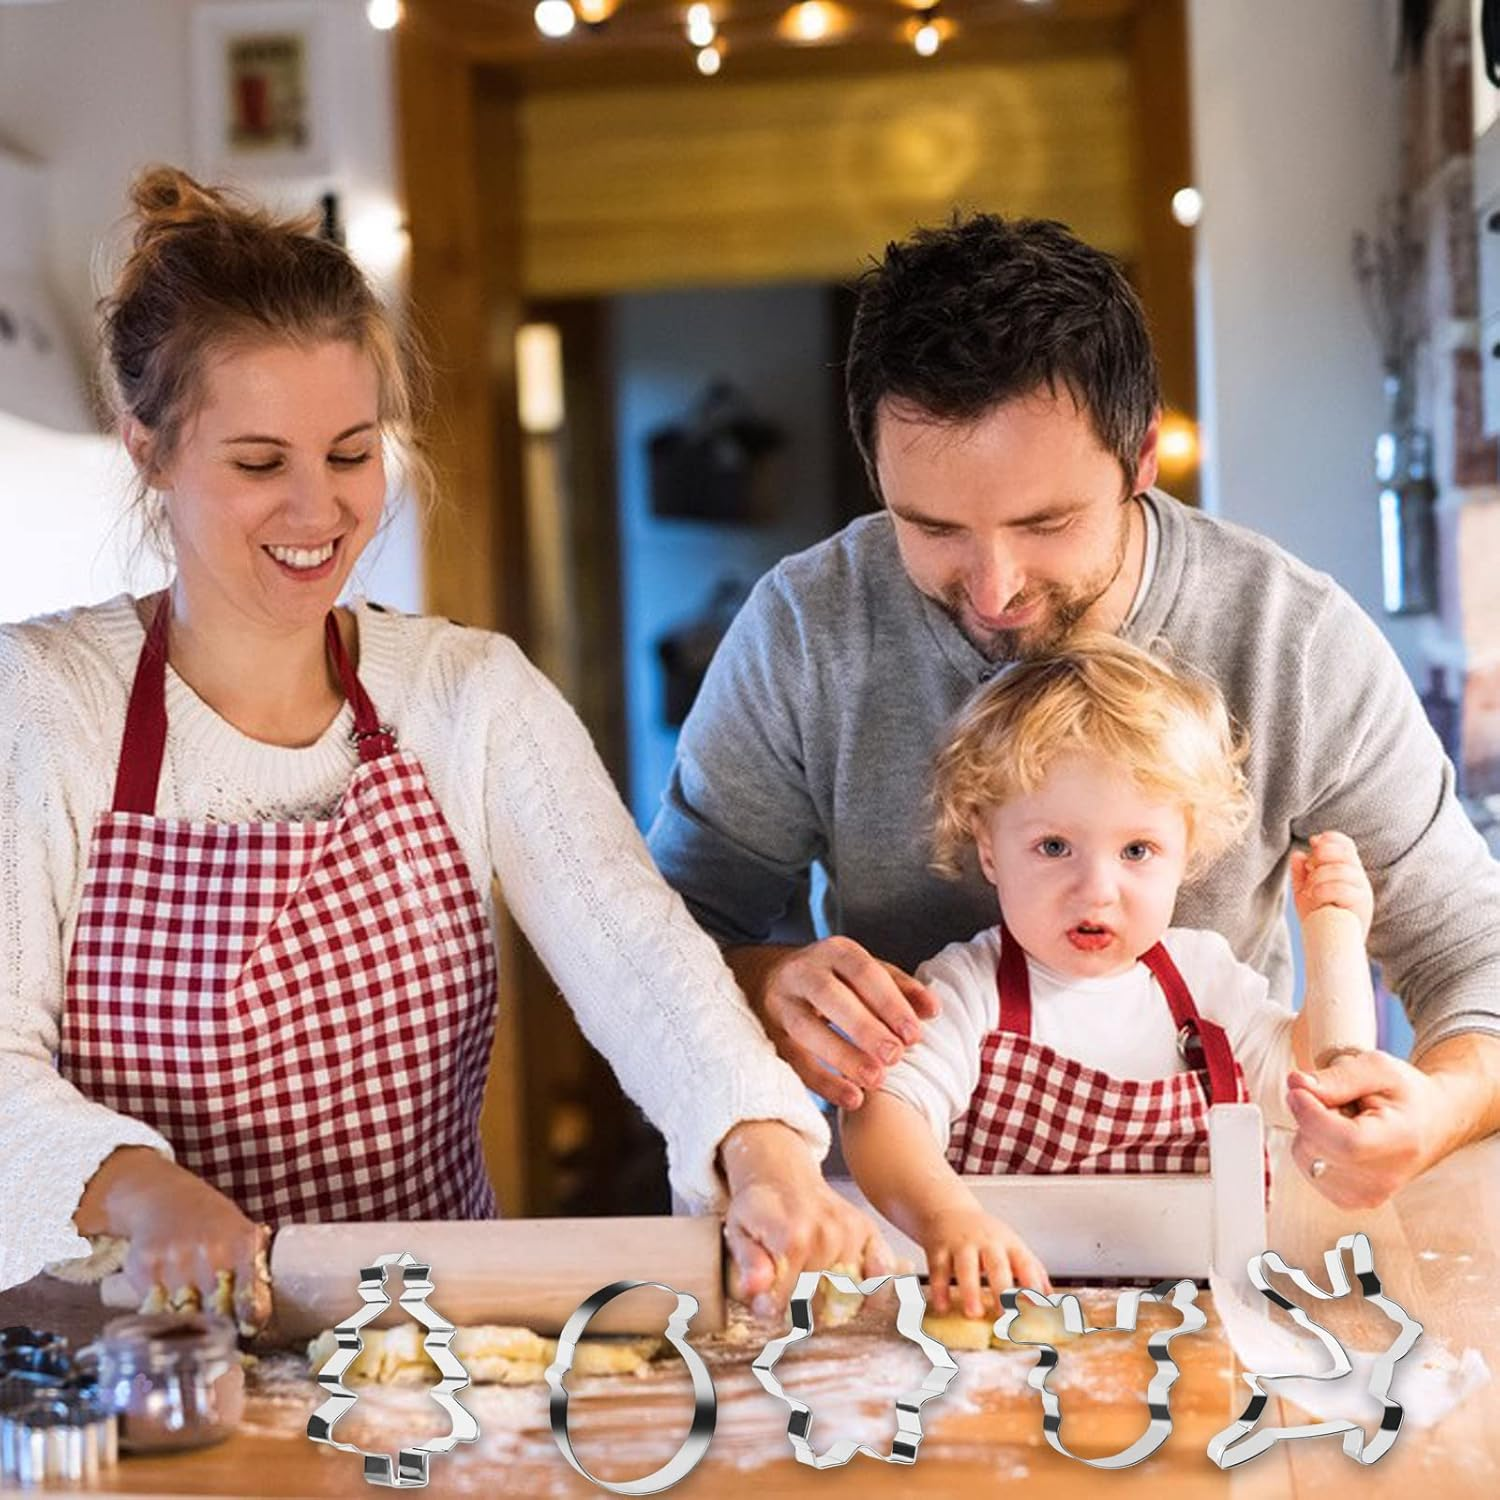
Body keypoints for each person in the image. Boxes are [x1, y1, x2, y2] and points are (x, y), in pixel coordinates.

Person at [0, 166, 891, 1318]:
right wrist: (140, 1191)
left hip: (423, 1345)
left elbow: (643, 961)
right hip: (129, 1357)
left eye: (351, 453)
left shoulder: (469, 696)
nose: (317, 511)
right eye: (259, 463)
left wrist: (762, 1146)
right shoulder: (44, 706)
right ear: (149, 450)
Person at [649, 213, 1500, 1213]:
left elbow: (1468, 952)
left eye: (1044, 523)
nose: (995, 588)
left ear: (1141, 459)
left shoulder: (1291, 638)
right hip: (921, 1238)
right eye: (931, 528)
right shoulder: (806, 626)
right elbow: (667, 938)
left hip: (1231, 1225)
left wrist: (1437, 1110)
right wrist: (766, 982)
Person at [842, 637, 1380, 1316]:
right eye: (1053, 847)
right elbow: (882, 1116)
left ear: (1187, 854)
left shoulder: (1207, 985)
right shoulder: (968, 989)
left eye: (1137, 850)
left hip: (1199, 1334)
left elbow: (1330, 1081)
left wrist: (1336, 932)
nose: (1096, 890)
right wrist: (945, 1217)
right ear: (989, 847)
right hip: (1005, 1328)